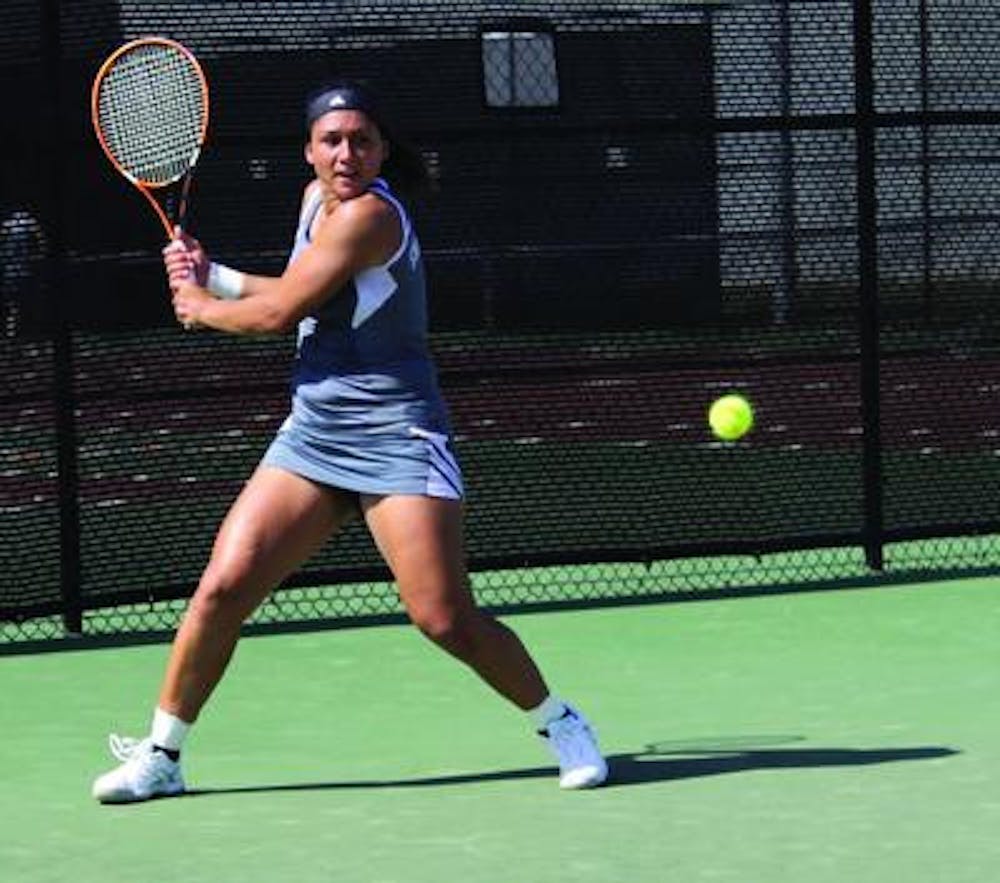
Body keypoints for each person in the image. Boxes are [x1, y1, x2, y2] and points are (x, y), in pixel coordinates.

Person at [92, 81, 607, 803]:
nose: (346, 153)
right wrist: (215, 277)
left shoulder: (370, 217)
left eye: (362, 140)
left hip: (398, 433)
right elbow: (294, 286)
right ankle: (162, 754)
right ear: (309, 151)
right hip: (314, 434)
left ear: (381, 151)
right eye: (331, 140)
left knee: (442, 616)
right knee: (223, 587)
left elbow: (280, 315)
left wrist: (203, 307)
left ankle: (562, 722)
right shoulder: (314, 202)